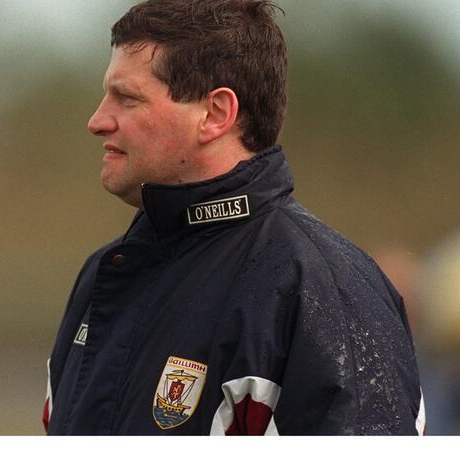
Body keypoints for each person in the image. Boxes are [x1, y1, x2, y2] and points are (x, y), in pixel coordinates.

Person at [43, 0, 424, 435]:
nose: (97, 121)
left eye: (127, 98)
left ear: (216, 114)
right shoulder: (105, 275)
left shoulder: (322, 288)